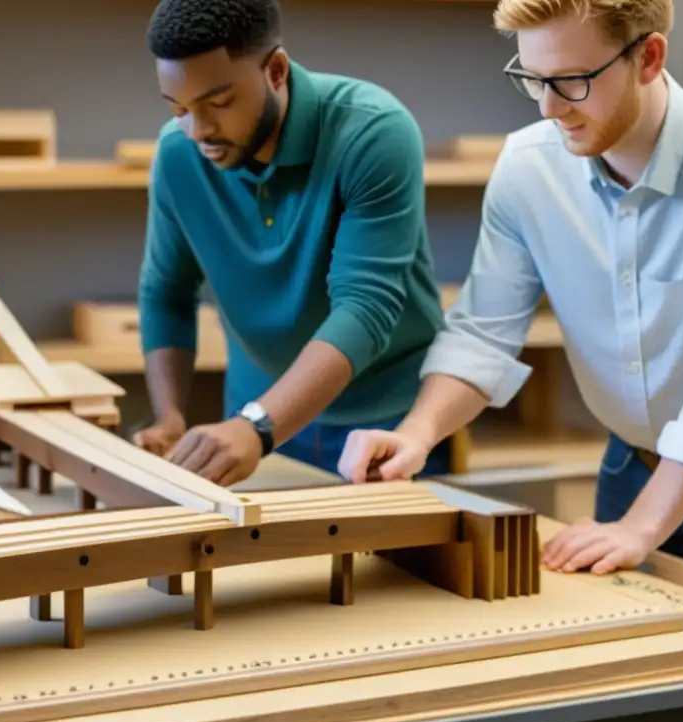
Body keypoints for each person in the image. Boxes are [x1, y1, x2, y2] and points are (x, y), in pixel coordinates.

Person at [337, 0, 683, 581]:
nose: (549, 106)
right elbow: (482, 334)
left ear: (649, 58)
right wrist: (417, 434)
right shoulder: (528, 168)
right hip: (632, 472)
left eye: (572, 82)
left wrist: (640, 527)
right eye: (533, 79)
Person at [131, 0, 452, 486]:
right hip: (255, 419)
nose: (199, 131)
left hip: (386, 422)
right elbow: (166, 291)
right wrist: (170, 416)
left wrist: (259, 424)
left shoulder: (373, 131)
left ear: (276, 70)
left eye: (218, 104)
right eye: (179, 109)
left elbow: (365, 307)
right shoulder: (178, 154)